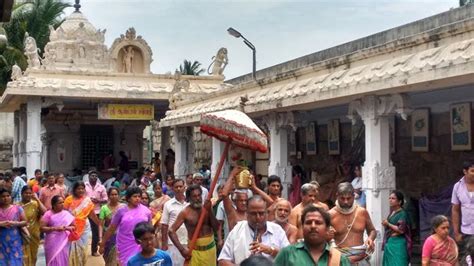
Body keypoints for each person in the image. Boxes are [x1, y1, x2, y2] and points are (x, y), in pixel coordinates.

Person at [218, 196, 289, 265]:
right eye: (253, 214)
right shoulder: (238, 230)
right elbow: (222, 261)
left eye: (261, 213)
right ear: (247, 214)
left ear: (266, 213)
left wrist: (271, 250)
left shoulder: (277, 230)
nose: (258, 217)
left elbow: (289, 257)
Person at [274, 205, 351, 266]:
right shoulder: (287, 254)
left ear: (327, 228)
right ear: (302, 227)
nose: (313, 226)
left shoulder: (339, 259)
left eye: (318, 223)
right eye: (308, 222)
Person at [99, 187, 152, 265]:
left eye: (139, 196)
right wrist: (102, 244)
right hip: (124, 245)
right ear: (129, 198)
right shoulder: (121, 211)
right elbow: (111, 229)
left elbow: (150, 229)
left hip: (141, 244)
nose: (137, 198)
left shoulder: (146, 211)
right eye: (134, 196)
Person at [169, 184, 218, 265]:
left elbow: (216, 227)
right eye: (194, 196)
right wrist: (182, 250)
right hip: (194, 252)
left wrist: (210, 211)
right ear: (189, 198)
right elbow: (171, 231)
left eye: (199, 195)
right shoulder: (185, 213)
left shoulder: (207, 208)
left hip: (210, 251)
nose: (198, 198)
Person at [329, 182, 376, 265]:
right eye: (342, 198)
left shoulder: (362, 212)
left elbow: (372, 230)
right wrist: (327, 235)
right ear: (337, 196)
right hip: (340, 258)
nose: (346, 202)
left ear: (354, 196)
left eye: (349, 198)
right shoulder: (330, 215)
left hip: (361, 257)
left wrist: (370, 239)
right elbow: (322, 238)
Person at [64, 181, 101, 266]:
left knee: (83, 248)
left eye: (82, 188)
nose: (81, 190)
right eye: (78, 189)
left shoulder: (87, 201)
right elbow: (64, 214)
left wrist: (99, 224)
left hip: (84, 227)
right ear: (74, 189)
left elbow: (92, 214)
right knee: (70, 249)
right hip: (71, 227)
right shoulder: (68, 199)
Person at [40, 195, 75, 266]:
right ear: (54, 205)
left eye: (63, 202)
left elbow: (74, 226)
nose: (62, 204)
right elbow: (41, 228)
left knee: (63, 259)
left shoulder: (66, 214)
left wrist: (67, 228)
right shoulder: (48, 214)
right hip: (52, 242)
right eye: (60, 203)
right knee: (53, 260)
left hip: (63, 241)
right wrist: (55, 228)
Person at [161, 179, 188, 265]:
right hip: (173, 243)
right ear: (173, 189)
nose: (179, 189)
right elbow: (164, 225)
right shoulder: (168, 204)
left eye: (181, 186)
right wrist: (164, 243)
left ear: (185, 188)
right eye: (176, 187)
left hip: (189, 241)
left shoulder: (190, 203)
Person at [382, 190, 412, 266]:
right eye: (389, 198)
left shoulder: (402, 214)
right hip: (390, 243)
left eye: (393, 198)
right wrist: (386, 224)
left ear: (399, 202)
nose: (390, 200)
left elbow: (401, 230)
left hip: (398, 244)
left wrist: (388, 224)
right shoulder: (392, 212)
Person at [452, 161, 474, 259]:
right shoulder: (457, 187)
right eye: (472, 171)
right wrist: (456, 233)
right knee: (467, 260)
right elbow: (455, 210)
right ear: (465, 171)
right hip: (466, 232)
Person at [20, 186, 46, 266]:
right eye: (26, 193)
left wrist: (37, 199)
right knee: (25, 257)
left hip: (34, 234)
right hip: (22, 235)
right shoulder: (17, 206)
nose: (28, 195)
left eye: (30, 193)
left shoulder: (35, 203)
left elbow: (44, 212)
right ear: (22, 194)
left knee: (34, 256)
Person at [0, 188, 27, 266]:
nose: (6, 198)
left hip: (14, 240)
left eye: (8, 196)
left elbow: (25, 222)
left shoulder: (17, 208)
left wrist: (14, 223)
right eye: (3, 196)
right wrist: (1, 224)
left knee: (15, 261)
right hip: (1, 242)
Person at [99, 187, 125, 266]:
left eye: (116, 194)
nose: (114, 196)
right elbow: (100, 224)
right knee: (108, 256)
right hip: (108, 236)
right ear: (108, 196)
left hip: (121, 236)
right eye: (112, 194)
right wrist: (100, 239)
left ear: (118, 195)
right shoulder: (104, 208)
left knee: (120, 257)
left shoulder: (123, 207)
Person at [85, 170, 108, 256]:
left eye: (95, 176)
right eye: (92, 176)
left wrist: (98, 200)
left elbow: (106, 199)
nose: (93, 177)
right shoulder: (84, 186)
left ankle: (94, 250)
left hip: (97, 212)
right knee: (81, 231)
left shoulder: (101, 187)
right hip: (84, 212)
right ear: (89, 177)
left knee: (96, 231)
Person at [149, 181, 170, 248]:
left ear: (162, 188)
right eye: (156, 189)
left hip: (167, 223)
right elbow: (152, 217)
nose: (158, 190)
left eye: (159, 188)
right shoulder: (151, 203)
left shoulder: (167, 198)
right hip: (157, 226)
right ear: (153, 189)